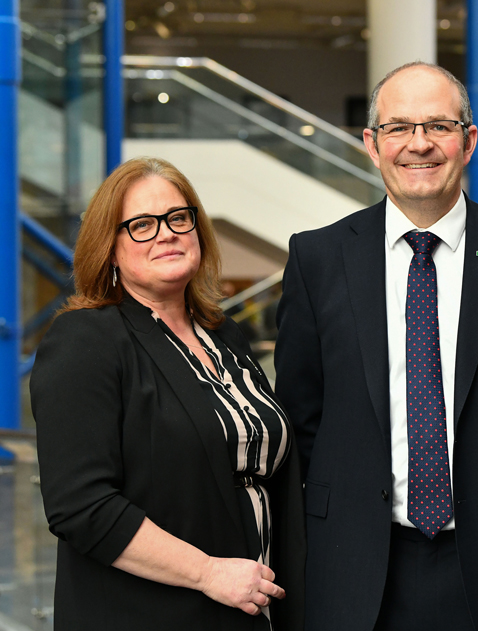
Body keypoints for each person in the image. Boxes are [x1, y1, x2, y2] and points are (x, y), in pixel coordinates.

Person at [274, 62, 478, 631]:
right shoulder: (317, 260)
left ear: (469, 140)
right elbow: (300, 421)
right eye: (398, 128)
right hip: (355, 571)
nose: (419, 144)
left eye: (439, 126)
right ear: (372, 144)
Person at [31, 157, 306, 631]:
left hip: (248, 609)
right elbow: (80, 506)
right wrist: (208, 573)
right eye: (141, 225)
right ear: (109, 249)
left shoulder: (224, 335)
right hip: (147, 614)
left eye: (178, 218)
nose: (166, 234)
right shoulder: (86, 340)